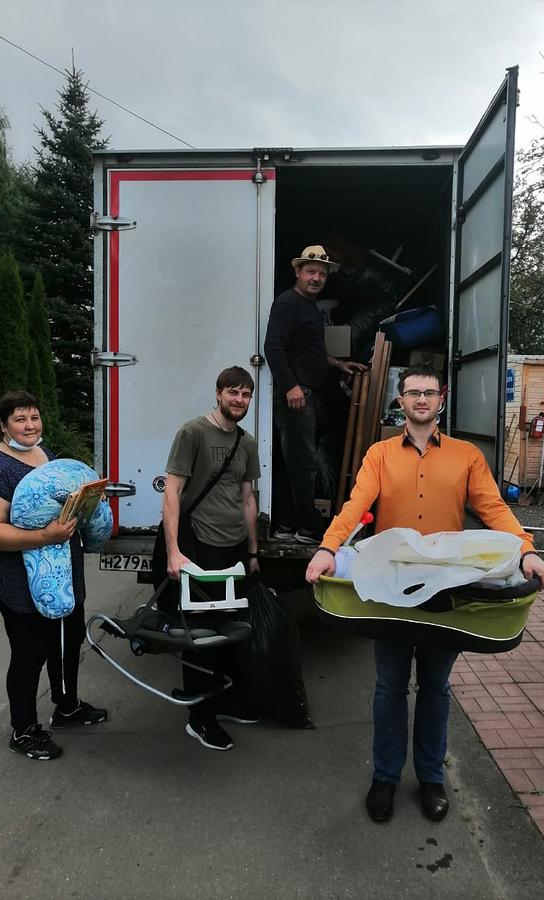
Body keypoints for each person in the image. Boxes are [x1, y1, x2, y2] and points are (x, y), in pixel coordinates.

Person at [306, 365, 544, 823]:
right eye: (413, 392)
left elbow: (495, 509)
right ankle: (385, 778)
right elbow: (356, 506)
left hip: (445, 589)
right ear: (400, 400)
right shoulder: (379, 454)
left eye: (429, 392)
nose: (421, 399)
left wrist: (526, 552)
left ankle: (432, 779)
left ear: (442, 399)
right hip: (392, 588)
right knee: (389, 686)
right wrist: (328, 548)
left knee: (436, 688)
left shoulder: (467, 456)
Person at [0, 391, 107, 761]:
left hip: (62, 573)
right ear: (3, 425)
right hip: (19, 579)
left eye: (34, 417)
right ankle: (24, 730)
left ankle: (67, 707)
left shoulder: (45, 454)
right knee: (30, 652)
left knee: (67, 641)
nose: (30, 426)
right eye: (20, 419)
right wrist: (45, 536)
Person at [161, 365, 261, 751]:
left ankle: (223, 702)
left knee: (229, 630)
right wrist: (173, 551)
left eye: (246, 394)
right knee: (201, 633)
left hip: (234, 547)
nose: (239, 400)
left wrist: (252, 551)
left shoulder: (246, 442)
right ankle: (199, 719)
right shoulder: (193, 433)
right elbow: (172, 493)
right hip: (199, 544)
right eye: (233, 392)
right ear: (218, 393)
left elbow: (248, 498)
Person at [264, 244, 366, 544]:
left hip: (306, 391)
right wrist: (291, 386)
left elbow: (307, 349)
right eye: (311, 271)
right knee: (303, 465)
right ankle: (308, 529)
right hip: (298, 394)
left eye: (322, 273)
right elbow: (273, 347)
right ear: (298, 272)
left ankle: (285, 525)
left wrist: (335, 363)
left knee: (294, 461)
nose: (316, 278)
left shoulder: (308, 306)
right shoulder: (288, 303)